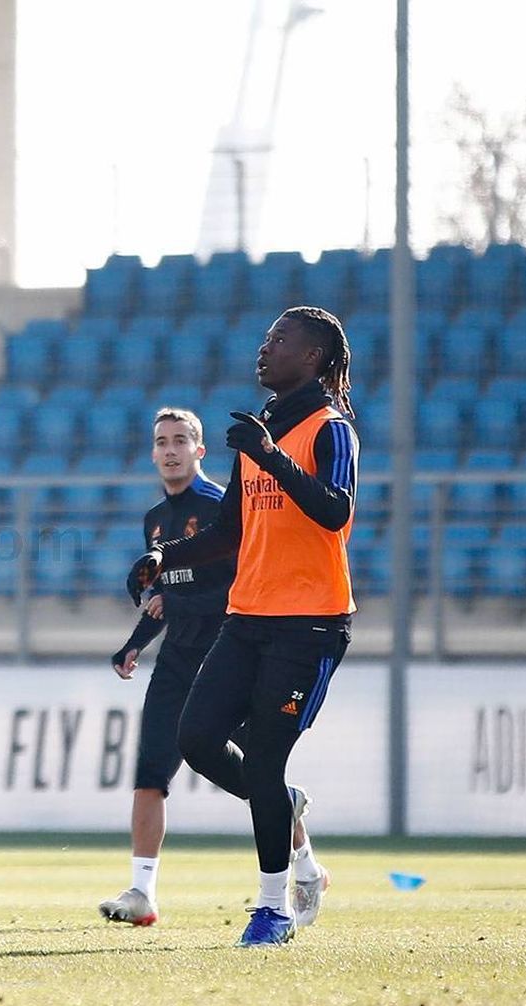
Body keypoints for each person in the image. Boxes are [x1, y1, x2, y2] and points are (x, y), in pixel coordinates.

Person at [126, 306, 356, 948]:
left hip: (310, 623)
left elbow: (335, 512)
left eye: (279, 340)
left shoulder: (330, 429)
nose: (265, 347)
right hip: (249, 617)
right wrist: (162, 559)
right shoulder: (260, 435)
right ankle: (290, 818)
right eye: (264, 337)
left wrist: (273, 456)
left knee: (263, 758)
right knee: (196, 738)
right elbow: (229, 531)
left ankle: (274, 908)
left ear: (311, 357)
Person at [98, 408, 234, 927]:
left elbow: (240, 592)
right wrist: (134, 644)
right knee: (150, 771)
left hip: (227, 654)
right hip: (178, 657)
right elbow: (164, 596)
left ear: (200, 450)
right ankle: (142, 891)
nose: (170, 449)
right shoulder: (155, 519)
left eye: (181, 440)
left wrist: (174, 606)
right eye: (162, 441)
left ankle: (305, 862)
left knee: (257, 774)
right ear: (153, 453)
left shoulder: (222, 509)